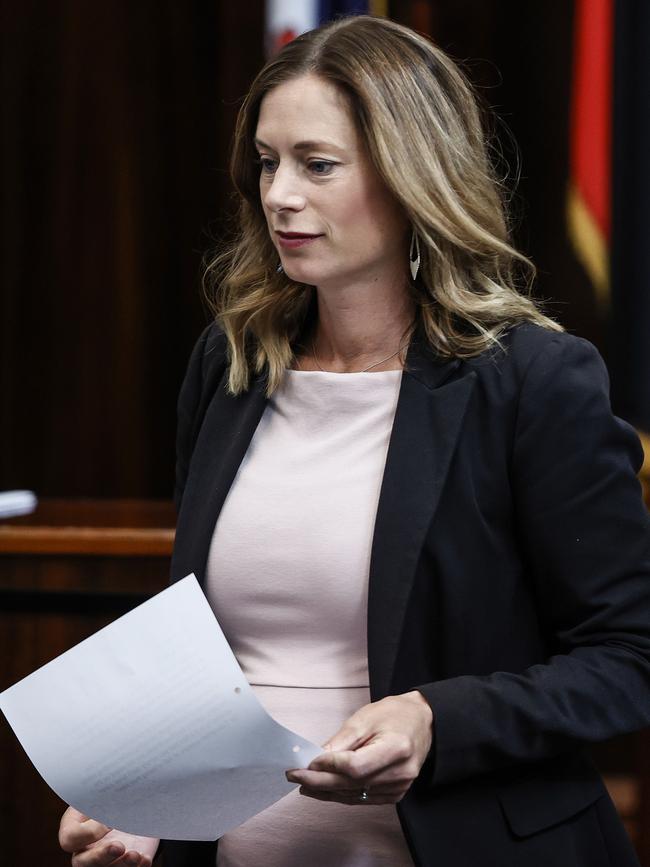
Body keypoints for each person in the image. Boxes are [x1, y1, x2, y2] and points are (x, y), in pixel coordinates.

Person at [59, 13, 650, 867]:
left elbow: (628, 656)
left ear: (413, 176)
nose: (279, 195)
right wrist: (139, 801)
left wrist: (435, 718)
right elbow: (205, 648)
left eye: (318, 165)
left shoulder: (534, 380)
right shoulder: (230, 366)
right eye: (267, 162)